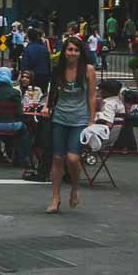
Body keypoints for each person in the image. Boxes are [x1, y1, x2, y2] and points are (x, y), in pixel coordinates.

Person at [45, 35, 96, 214]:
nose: (72, 53)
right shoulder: (58, 70)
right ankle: (55, 197)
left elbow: (91, 96)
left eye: (75, 50)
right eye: (69, 49)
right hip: (60, 117)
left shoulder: (88, 70)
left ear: (80, 52)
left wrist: (91, 119)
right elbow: (52, 91)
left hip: (79, 120)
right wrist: (46, 106)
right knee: (58, 158)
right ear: (64, 52)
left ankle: (74, 187)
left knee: (72, 158)